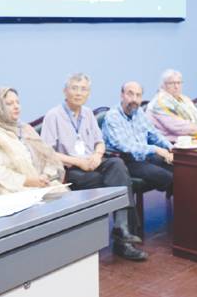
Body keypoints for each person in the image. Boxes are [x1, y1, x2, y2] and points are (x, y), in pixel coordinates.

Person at [41, 73, 148, 261]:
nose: (78, 93)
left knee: (117, 165)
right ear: (65, 91)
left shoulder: (88, 113)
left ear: (88, 93)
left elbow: (100, 142)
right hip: (71, 169)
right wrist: (77, 161)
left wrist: (98, 155)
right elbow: (47, 153)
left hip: (93, 161)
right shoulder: (53, 116)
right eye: (74, 88)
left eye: (83, 89)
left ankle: (121, 229)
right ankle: (122, 239)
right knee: (115, 182)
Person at [0, 87, 65, 197]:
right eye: (9, 103)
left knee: (68, 202)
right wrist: (28, 181)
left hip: (41, 185)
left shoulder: (25, 129)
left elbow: (47, 157)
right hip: (10, 192)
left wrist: (46, 175)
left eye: (18, 102)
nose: (16, 106)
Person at [102, 81, 173, 196]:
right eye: (130, 94)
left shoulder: (138, 111)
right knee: (167, 177)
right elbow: (124, 145)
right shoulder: (112, 116)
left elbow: (154, 133)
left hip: (144, 157)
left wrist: (171, 148)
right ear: (122, 95)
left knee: (180, 170)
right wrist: (155, 149)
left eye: (138, 95)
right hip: (126, 162)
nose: (134, 99)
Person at [146, 69, 197, 141]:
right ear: (163, 85)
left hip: (192, 138)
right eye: (172, 83)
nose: (176, 86)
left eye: (179, 83)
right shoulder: (159, 102)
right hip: (170, 143)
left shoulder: (184, 98)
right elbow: (177, 127)